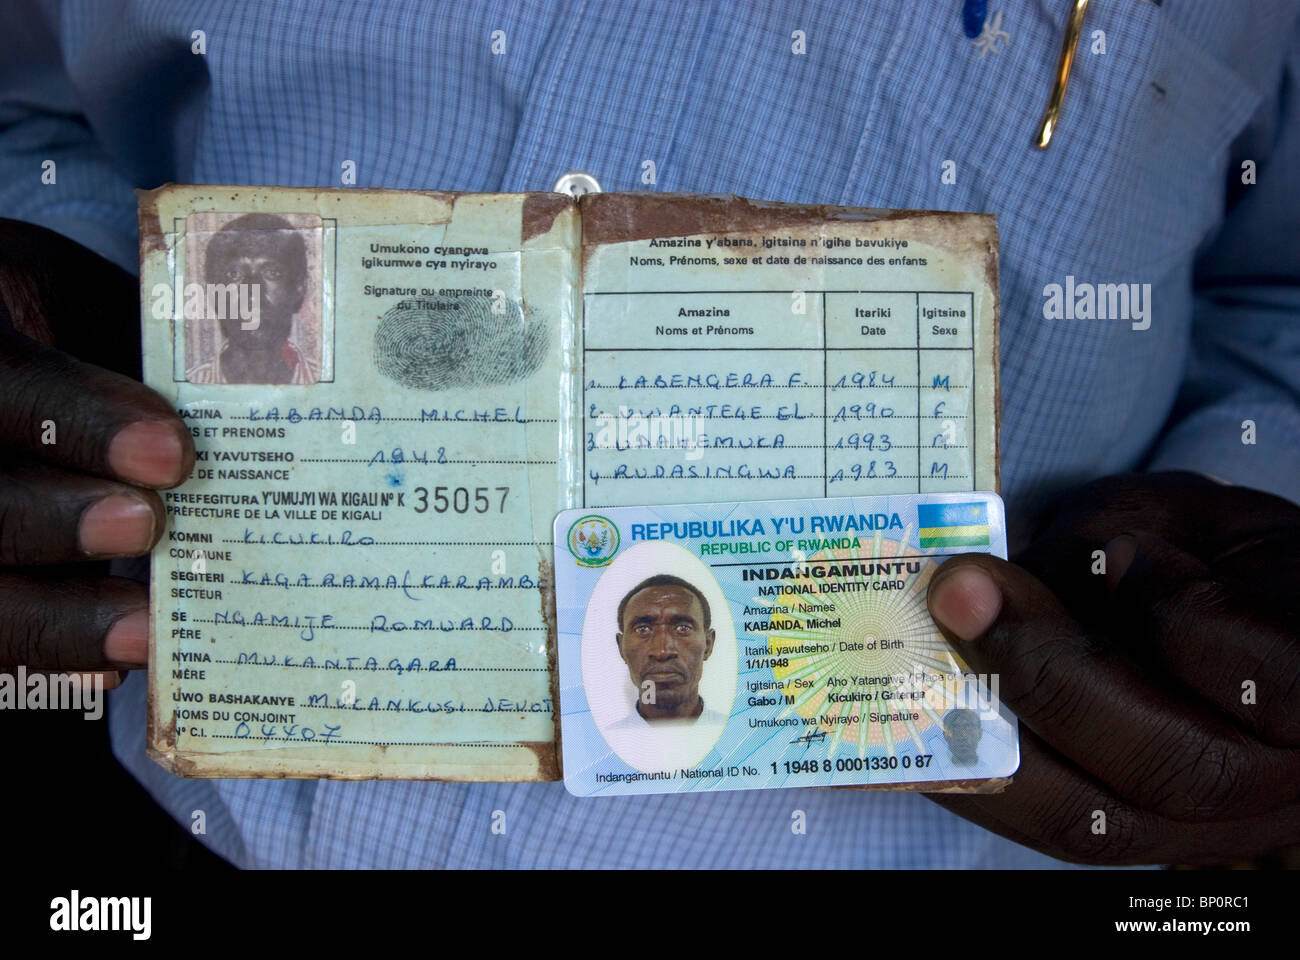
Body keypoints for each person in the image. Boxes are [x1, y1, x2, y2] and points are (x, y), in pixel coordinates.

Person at [2, 1, 1298, 869]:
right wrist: (47, 266)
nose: (664, 635)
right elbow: (29, 108)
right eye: (653, 620)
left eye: (676, 620)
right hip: (144, 821)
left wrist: (1255, 528)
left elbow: (1276, 292)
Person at [186, 212, 318, 385]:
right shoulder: (186, 386)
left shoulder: (336, 388)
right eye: (234, 274)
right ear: (213, 293)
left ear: (299, 289)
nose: (252, 293)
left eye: (272, 273)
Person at [610, 574, 725, 727]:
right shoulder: (601, 743)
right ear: (621, 647)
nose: (662, 652)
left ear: (708, 644)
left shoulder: (738, 734)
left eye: (683, 628)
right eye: (642, 629)